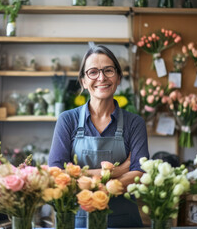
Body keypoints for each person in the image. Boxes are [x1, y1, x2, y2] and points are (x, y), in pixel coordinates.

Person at [48, 45, 149, 228]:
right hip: (78, 221)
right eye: (93, 72)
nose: (101, 78)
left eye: (108, 70)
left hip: (125, 222)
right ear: (83, 81)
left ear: (118, 77)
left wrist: (85, 179)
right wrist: (114, 172)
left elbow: (139, 174)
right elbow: (56, 173)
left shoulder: (134, 123)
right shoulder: (67, 120)